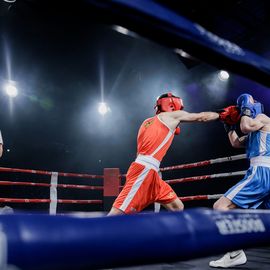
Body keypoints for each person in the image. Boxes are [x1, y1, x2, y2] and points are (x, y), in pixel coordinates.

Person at [108, 92, 220, 215]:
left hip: (148, 171)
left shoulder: (147, 122)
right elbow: (202, 117)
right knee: (116, 215)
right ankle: (94, 232)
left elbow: (139, 153)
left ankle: (167, 233)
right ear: (172, 104)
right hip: (145, 171)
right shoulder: (171, 116)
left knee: (177, 207)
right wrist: (221, 114)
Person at [209, 93, 270, 268]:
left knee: (220, 207)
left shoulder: (263, 118)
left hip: (262, 172)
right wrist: (227, 124)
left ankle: (235, 252)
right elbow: (236, 142)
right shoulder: (256, 129)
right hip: (264, 173)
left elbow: (244, 126)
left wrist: (245, 108)